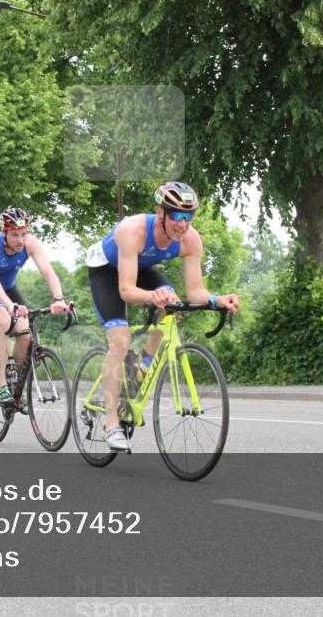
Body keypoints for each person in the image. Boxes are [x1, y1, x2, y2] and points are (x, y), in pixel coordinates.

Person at [85, 181, 240, 450]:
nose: (183, 224)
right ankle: (111, 423)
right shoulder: (133, 230)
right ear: (160, 213)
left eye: (189, 216)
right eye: (177, 215)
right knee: (120, 342)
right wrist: (151, 296)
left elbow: (195, 291)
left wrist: (216, 300)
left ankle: (143, 364)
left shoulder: (191, 240)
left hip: (141, 267)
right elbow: (126, 290)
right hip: (107, 270)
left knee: (173, 305)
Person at [0, 208, 69, 409]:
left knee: (26, 334)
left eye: (24, 234)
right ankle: (1, 385)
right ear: (4, 232)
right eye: (15, 234)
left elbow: (48, 272)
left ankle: (15, 384)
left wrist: (59, 299)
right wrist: (8, 305)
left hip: (9, 289)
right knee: (3, 322)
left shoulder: (31, 244)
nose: (20, 240)